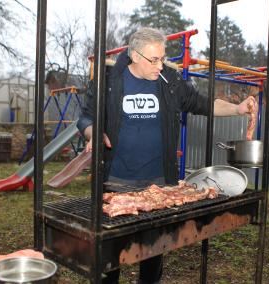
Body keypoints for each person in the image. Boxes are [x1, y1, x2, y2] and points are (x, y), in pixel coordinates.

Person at [77, 27, 257, 283]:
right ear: (135, 56)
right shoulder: (108, 82)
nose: (160, 66)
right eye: (154, 60)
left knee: (152, 257)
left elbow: (203, 103)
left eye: (162, 58)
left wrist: (238, 109)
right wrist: (92, 132)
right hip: (116, 185)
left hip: (160, 186)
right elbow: (85, 117)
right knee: (109, 261)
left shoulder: (170, 83)